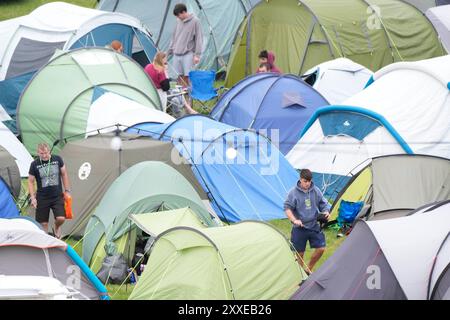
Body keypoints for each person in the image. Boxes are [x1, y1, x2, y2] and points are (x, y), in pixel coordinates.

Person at [284, 169, 330, 275]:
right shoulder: (293, 193)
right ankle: (300, 276)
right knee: (300, 254)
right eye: (305, 181)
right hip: (299, 228)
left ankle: (308, 269)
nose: (308, 184)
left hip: (314, 225)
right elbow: (287, 208)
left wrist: (326, 211)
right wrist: (294, 220)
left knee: (321, 248)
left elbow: (323, 203)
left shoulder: (315, 190)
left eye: (309, 181)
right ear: (300, 179)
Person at [28, 143, 71, 239]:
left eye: (46, 153)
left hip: (57, 196)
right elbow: (30, 181)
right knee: (43, 224)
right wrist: (33, 198)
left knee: (61, 218)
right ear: (38, 153)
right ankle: (47, 243)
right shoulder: (34, 164)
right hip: (42, 197)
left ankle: (56, 227)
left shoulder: (57, 159)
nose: (44, 155)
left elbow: (64, 174)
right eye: (41, 153)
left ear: (49, 151)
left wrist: (67, 190)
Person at [168, 3, 203, 87]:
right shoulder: (178, 21)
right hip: (177, 54)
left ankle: (188, 97)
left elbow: (199, 38)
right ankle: (181, 98)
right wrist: (169, 51)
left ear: (183, 12)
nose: (178, 17)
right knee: (178, 77)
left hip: (188, 53)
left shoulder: (195, 21)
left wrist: (197, 55)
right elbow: (174, 37)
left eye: (178, 15)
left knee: (188, 76)